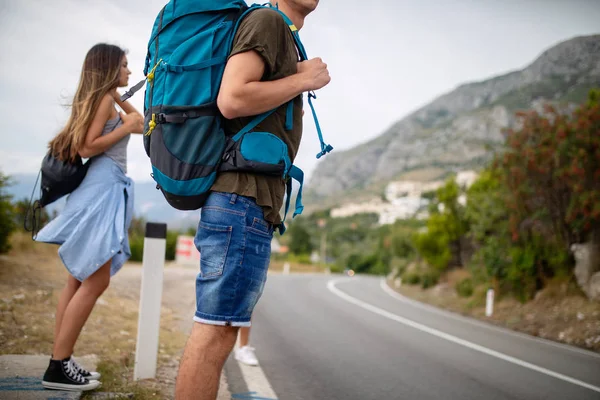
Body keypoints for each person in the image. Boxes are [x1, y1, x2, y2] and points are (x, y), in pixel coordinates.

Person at [175, 1, 330, 399]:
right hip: (239, 200)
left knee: (221, 330)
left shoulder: (284, 35)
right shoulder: (266, 22)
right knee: (215, 332)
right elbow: (232, 98)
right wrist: (301, 80)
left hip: (248, 203)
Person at [35, 43, 144, 392]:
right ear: (110, 67)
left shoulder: (103, 98)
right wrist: (123, 127)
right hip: (101, 191)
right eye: (124, 66)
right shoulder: (101, 101)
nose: (130, 71)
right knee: (94, 280)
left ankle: (61, 360)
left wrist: (117, 96)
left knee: (78, 280)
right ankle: (57, 366)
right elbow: (86, 146)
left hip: (101, 188)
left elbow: (139, 122)